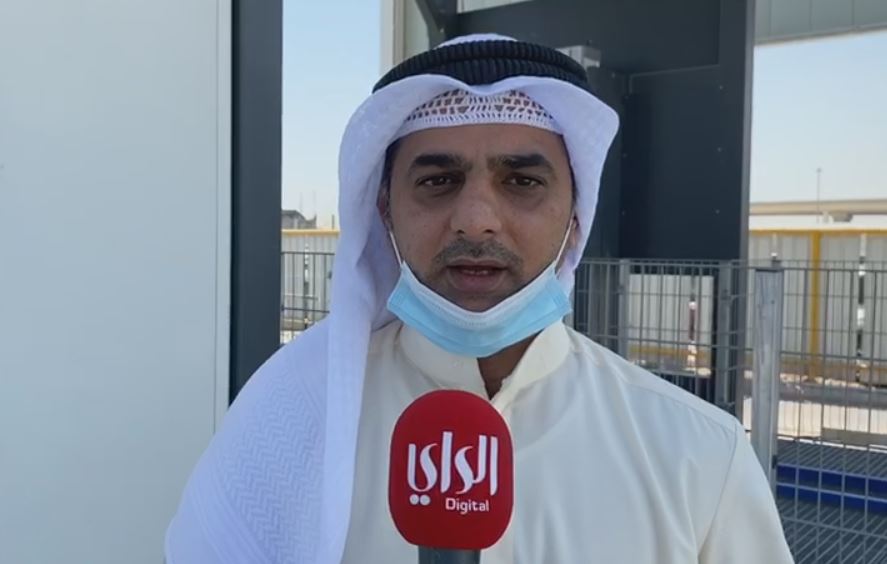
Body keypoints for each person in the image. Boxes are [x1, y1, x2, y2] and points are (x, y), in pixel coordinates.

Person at [165, 33, 794, 563]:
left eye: (522, 181)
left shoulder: (697, 455)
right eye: (438, 180)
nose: (476, 220)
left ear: (577, 213)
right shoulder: (290, 414)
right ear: (385, 210)